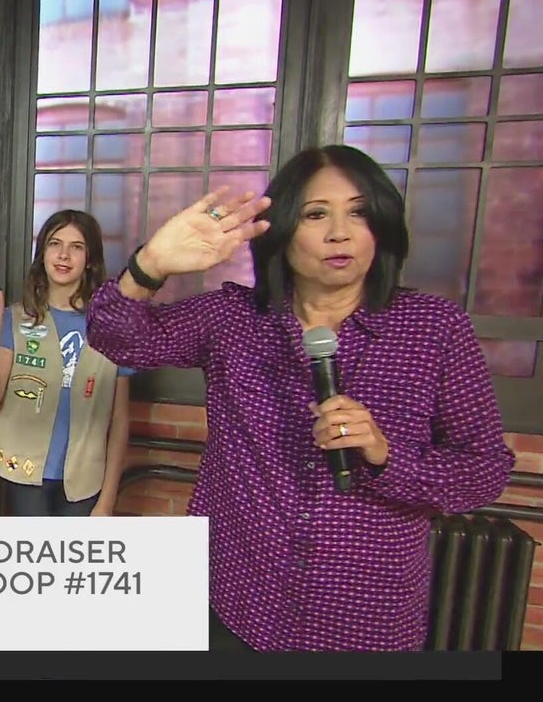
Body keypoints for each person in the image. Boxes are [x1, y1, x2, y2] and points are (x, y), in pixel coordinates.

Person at [84, 144, 515, 652]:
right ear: (283, 230)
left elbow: (484, 472)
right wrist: (150, 265)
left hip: (365, 620)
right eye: (316, 214)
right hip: (234, 600)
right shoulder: (235, 319)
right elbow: (116, 338)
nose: (340, 233)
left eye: (359, 212)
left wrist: (385, 455)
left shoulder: (433, 329)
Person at [0, 210, 134, 516]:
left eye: (77, 247)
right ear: (42, 253)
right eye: (55, 244)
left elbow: (119, 419)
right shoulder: (15, 318)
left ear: (90, 259)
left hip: (85, 479)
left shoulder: (113, 327)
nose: (64, 255)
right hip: (23, 471)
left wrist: (107, 501)